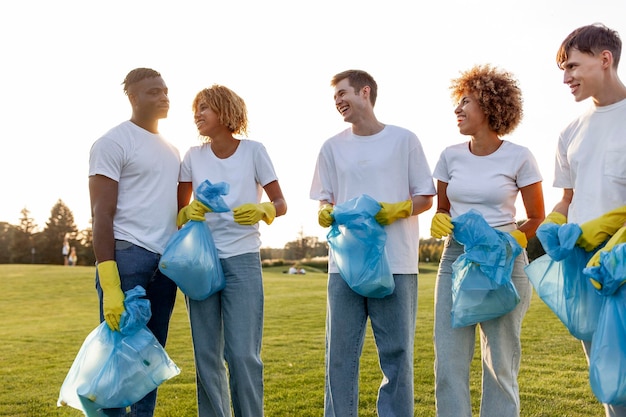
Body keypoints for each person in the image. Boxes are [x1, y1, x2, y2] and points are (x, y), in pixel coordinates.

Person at [310, 69, 435, 417]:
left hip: (396, 263)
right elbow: (325, 197)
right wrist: (324, 211)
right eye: (334, 96)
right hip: (345, 265)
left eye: (342, 93)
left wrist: (397, 210)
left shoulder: (403, 140)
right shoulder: (332, 147)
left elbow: (426, 197)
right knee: (340, 355)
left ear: (365, 92)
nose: (337, 101)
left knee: (397, 356)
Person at [430, 64, 545, 417]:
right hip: (457, 260)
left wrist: (511, 240)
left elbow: (537, 217)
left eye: (466, 101)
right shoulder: (450, 155)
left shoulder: (519, 156)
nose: (457, 109)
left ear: (491, 106)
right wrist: (440, 219)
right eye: (458, 101)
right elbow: (444, 209)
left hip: (505, 261)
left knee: (500, 365)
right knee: (448, 364)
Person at [177, 84, 287, 417]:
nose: (198, 115)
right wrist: (187, 212)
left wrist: (264, 210)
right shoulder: (192, 157)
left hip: (242, 260)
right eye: (196, 109)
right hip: (201, 262)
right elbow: (177, 210)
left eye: (205, 108)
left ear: (226, 112)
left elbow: (281, 202)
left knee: (242, 354)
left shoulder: (254, 151)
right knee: (207, 355)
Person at [541, 23, 626, 417]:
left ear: (604, 59)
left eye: (572, 66)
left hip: (622, 264)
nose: (565, 78)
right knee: (609, 382)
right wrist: (552, 222)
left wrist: (612, 231)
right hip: (588, 271)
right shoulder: (570, 132)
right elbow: (569, 197)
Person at [88, 67, 180, 417]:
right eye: (153, 91)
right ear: (133, 98)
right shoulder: (113, 142)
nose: (163, 97)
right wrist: (109, 281)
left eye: (165, 90)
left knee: (150, 357)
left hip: (165, 264)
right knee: (117, 357)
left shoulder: (172, 149)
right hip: (126, 259)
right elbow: (101, 215)